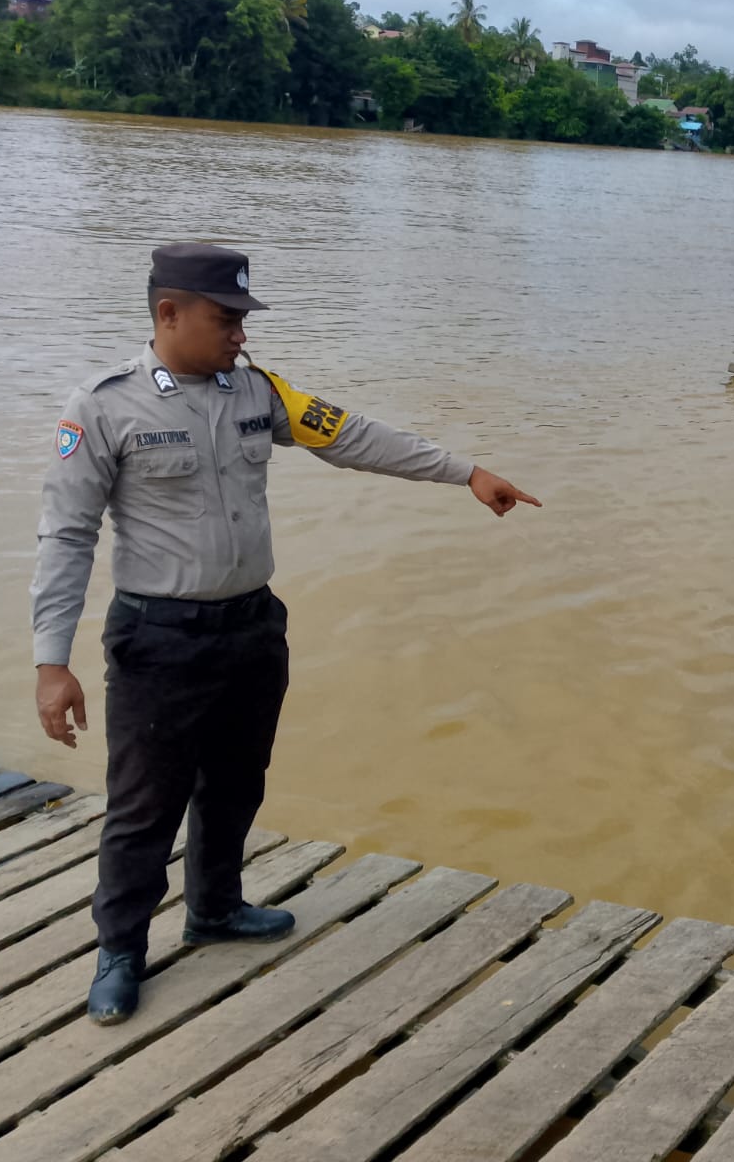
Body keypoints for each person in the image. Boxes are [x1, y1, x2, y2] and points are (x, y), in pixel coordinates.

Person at [32, 243, 539, 1025]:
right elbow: (67, 536)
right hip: (158, 640)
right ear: (168, 313)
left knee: (237, 782)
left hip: (251, 630)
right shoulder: (102, 409)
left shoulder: (258, 392)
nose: (241, 334)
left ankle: (215, 909)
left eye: (243, 319)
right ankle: (120, 952)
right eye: (225, 318)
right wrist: (51, 662)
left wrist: (463, 471)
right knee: (144, 807)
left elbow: (351, 435)